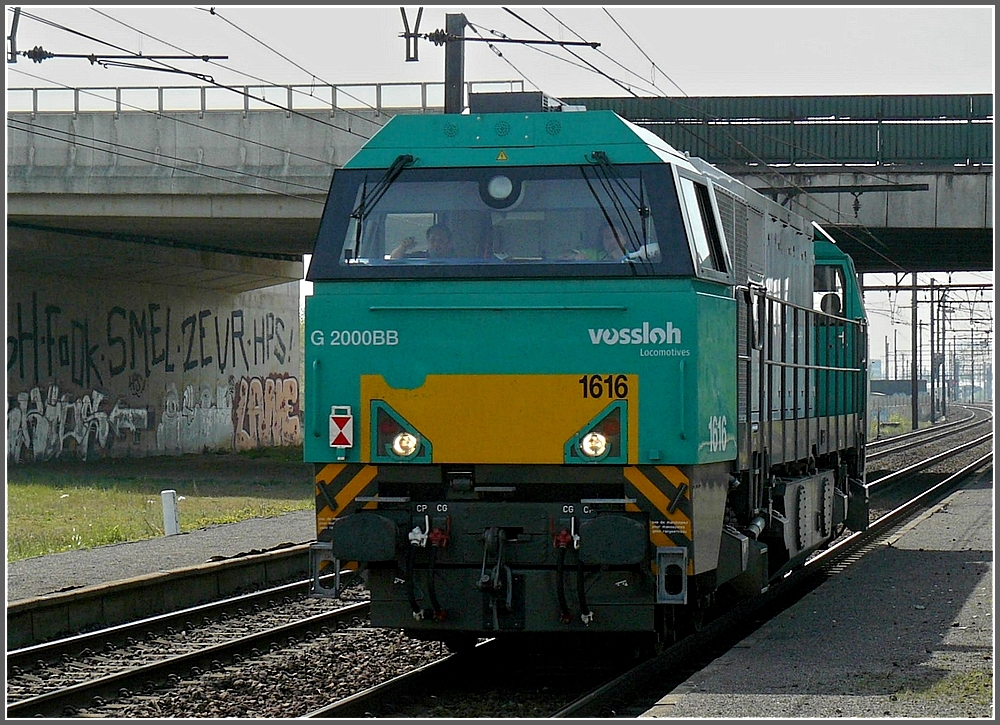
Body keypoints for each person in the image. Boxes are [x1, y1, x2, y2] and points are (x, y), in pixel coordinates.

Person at [389, 223, 454, 259]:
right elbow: (393, 259)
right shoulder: (418, 257)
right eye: (433, 240)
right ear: (428, 241)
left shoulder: (458, 260)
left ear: (449, 243)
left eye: (441, 240)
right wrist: (403, 247)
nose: (436, 243)